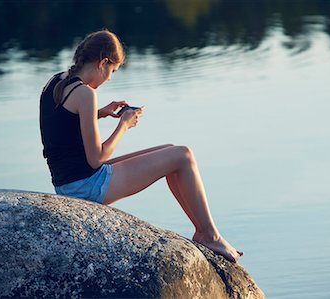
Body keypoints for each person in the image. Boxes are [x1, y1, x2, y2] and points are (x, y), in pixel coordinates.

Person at [39, 30, 243, 263]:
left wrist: (99, 113)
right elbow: (96, 158)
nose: (110, 78)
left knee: (170, 149)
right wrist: (123, 126)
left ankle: (202, 231)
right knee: (183, 155)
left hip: (69, 181)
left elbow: (61, 124)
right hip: (86, 186)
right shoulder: (85, 94)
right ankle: (210, 235)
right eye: (112, 71)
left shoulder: (56, 81)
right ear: (103, 62)